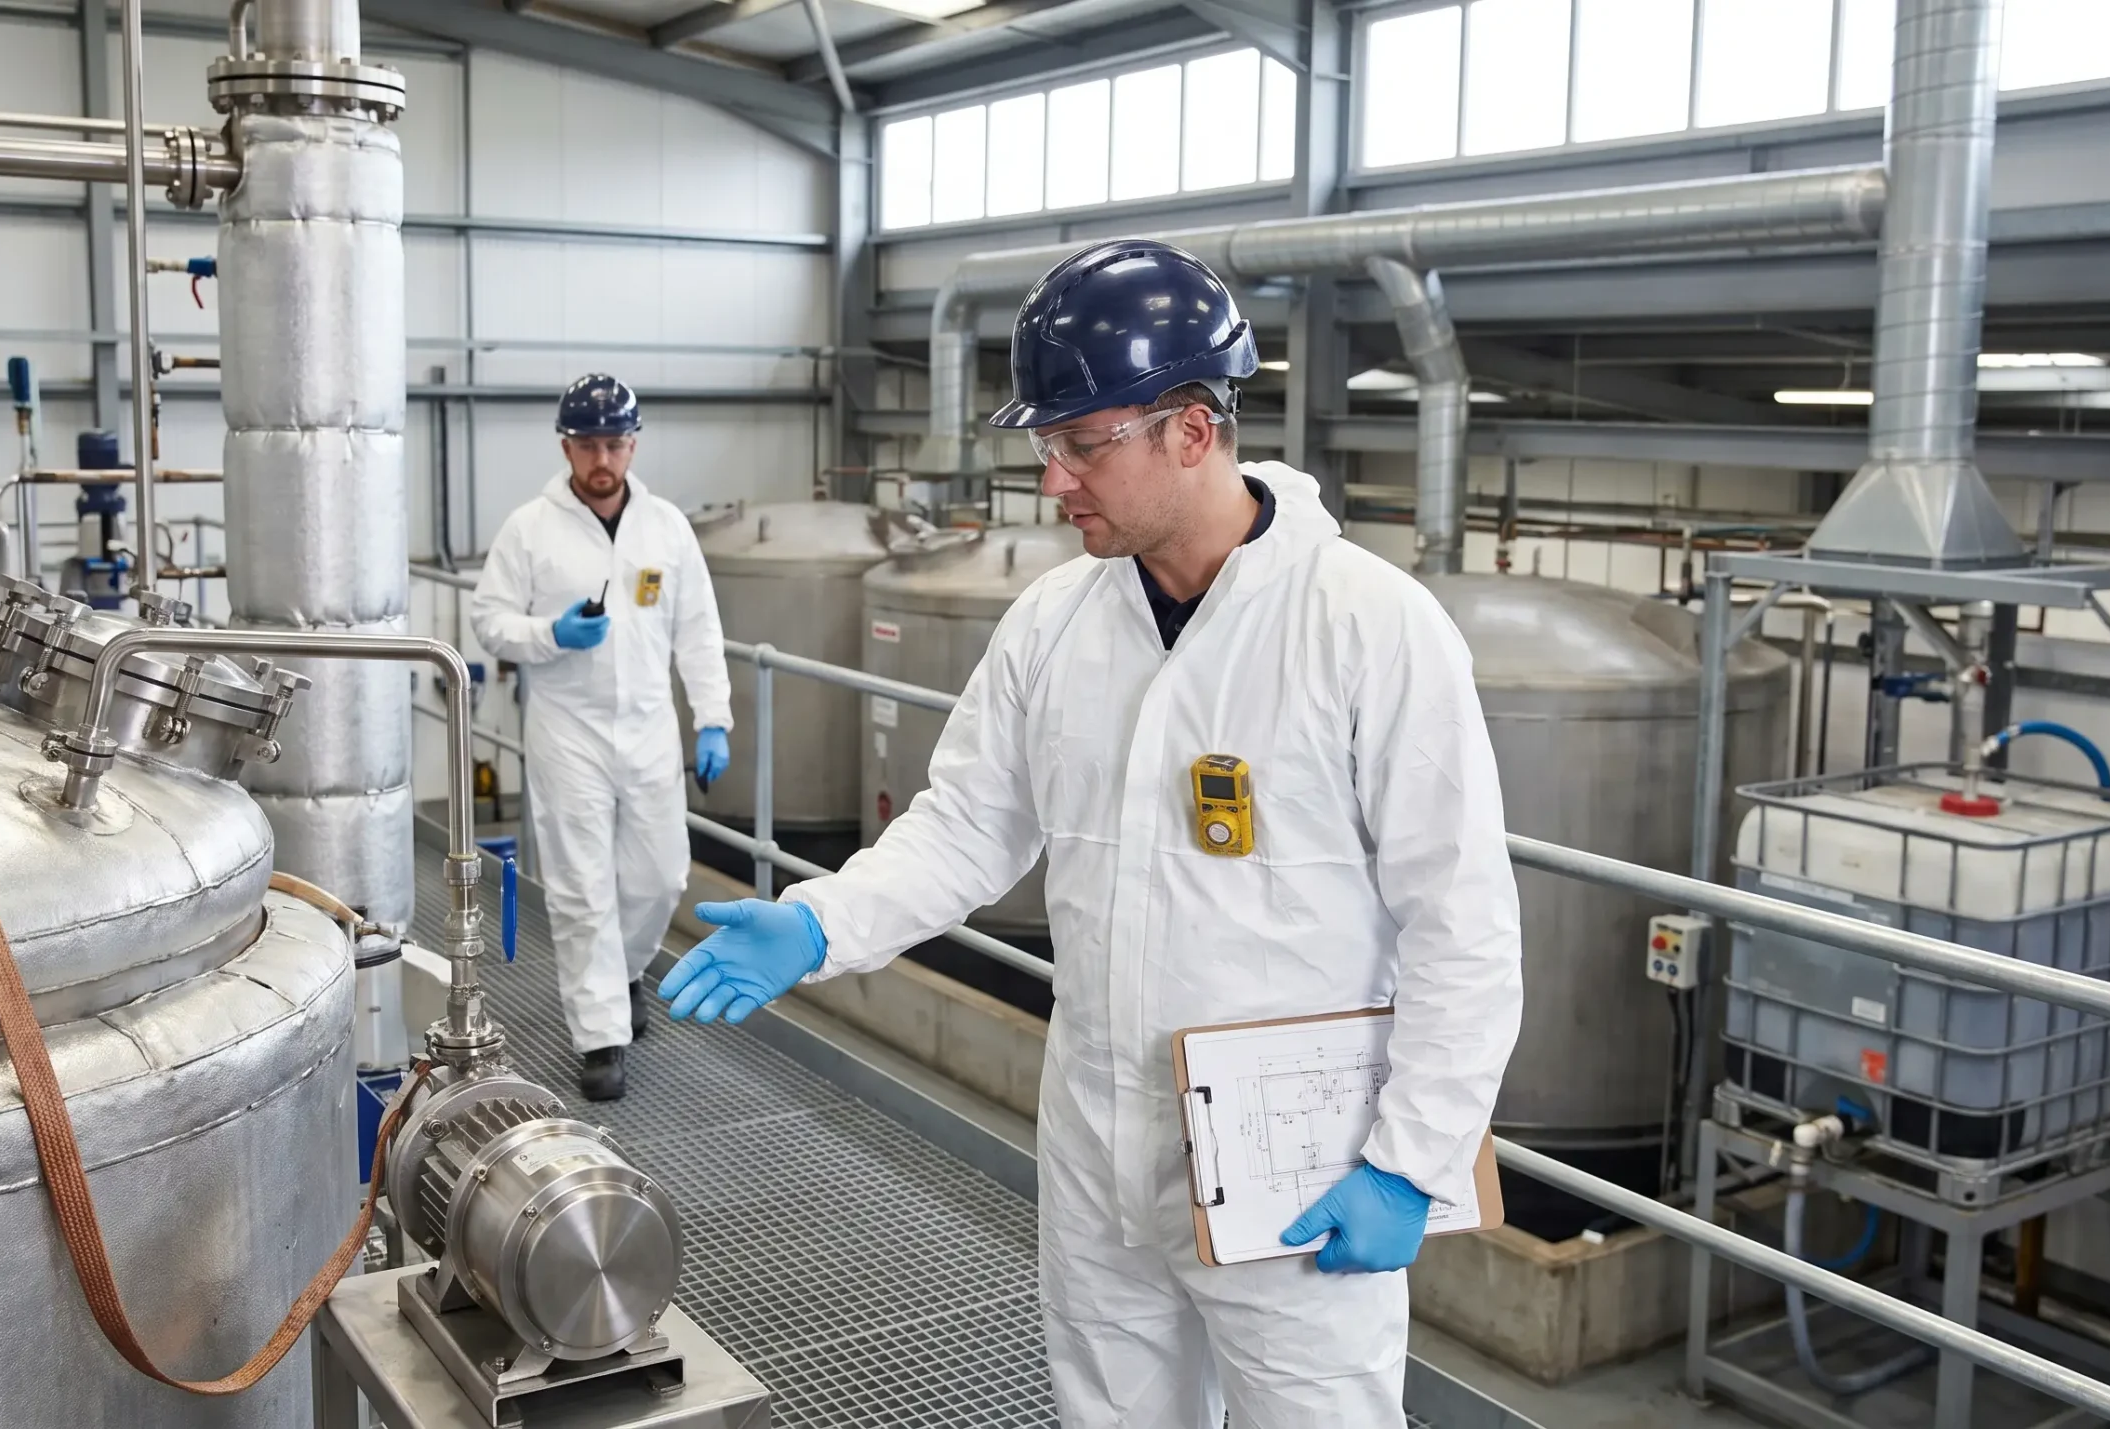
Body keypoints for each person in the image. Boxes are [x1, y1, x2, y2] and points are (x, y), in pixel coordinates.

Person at [657, 239, 1524, 1424]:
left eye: (1080, 442)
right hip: (1098, 1142)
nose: (1052, 479)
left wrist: (1409, 1160)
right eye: (1044, 444)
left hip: (1300, 1163)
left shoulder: (1369, 626)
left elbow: (1462, 926)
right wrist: (819, 921)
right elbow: (968, 822)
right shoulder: (1056, 619)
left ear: (1190, 427)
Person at [472, 373, 733, 1102]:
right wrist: (549, 634)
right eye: (588, 444)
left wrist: (713, 716)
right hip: (568, 730)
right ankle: (601, 1035)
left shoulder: (667, 528)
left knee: (660, 875)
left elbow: (698, 631)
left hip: (649, 726)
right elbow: (489, 620)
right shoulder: (531, 528)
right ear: (566, 445)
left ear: (633, 443)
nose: (603, 458)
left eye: (615, 443)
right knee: (583, 887)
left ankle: (621, 973)